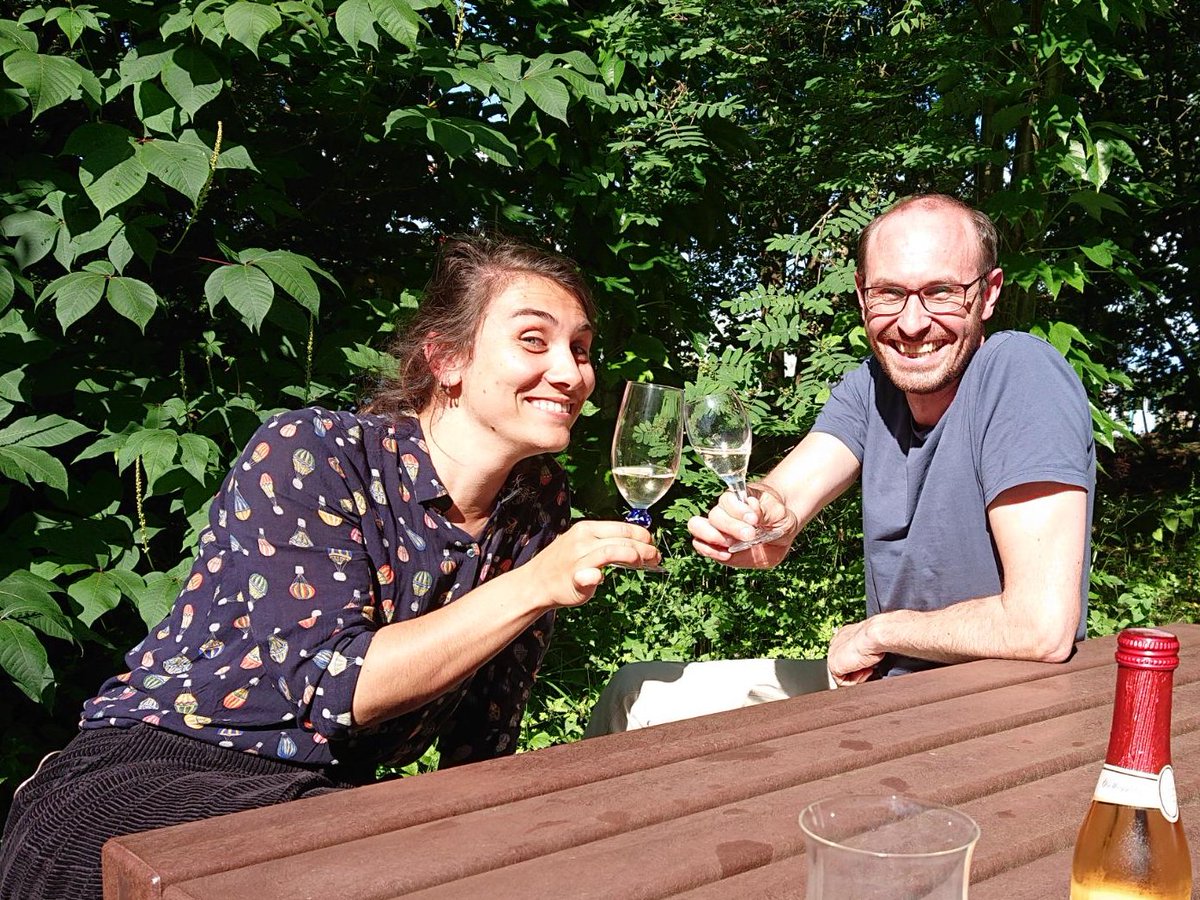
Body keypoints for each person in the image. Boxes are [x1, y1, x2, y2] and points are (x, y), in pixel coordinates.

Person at [0, 236, 659, 899]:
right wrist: (535, 584)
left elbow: (487, 727)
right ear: (447, 359)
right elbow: (332, 686)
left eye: (581, 349)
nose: (572, 374)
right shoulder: (316, 453)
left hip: (333, 807)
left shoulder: (535, 502)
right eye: (534, 341)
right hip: (156, 778)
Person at [585, 194, 1095, 735]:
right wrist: (757, 517)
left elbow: (1040, 627)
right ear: (861, 296)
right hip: (882, 688)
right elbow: (786, 493)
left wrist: (879, 633)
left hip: (989, 711)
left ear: (988, 294)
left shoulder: (1019, 371)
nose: (912, 323)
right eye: (889, 294)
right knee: (633, 690)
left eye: (941, 292)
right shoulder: (872, 387)